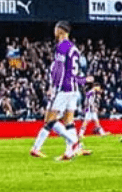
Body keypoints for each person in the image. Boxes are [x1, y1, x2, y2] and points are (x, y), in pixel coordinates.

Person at [30, 21, 94, 161]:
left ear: (60, 31)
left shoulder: (62, 46)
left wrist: (53, 87)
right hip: (74, 89)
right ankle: (70, 151)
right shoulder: (74, 49)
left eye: (55, 29)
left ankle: (40, 147)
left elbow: (59, 69)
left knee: (50, 120)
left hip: (63, 88)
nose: (54, 32)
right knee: (68, 120)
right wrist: (84, 81)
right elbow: (74, 73)